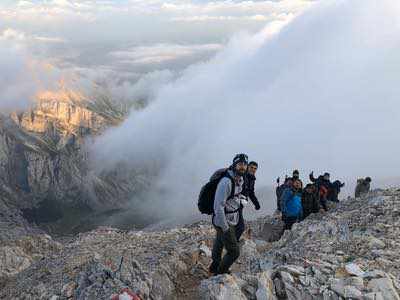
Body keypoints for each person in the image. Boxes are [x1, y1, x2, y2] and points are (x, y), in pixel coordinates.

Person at [209, 153, 248, 275]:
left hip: (230, 218)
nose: (243, 167)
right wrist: (225, 227)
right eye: (240, 164)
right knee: (234, 252)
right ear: (235, 164)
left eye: (244, 164)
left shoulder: (239, 179)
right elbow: (218, 207)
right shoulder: (226, 182)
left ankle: (214, 267)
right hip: (224, 220)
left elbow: (234, 195)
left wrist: (241, 200)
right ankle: (220, 273)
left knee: (220, 241)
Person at [236, 161, 261, 241]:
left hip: (241, 204)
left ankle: (231, 243)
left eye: (255, 169)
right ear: (247, 167)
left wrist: (256, 203)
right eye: (251, 168)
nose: (253, 170)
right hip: (234, 204)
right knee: (240, 226)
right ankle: (232, 244)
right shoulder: (242, 176)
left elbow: (251, 192)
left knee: (237, 225)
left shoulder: (252, 179)